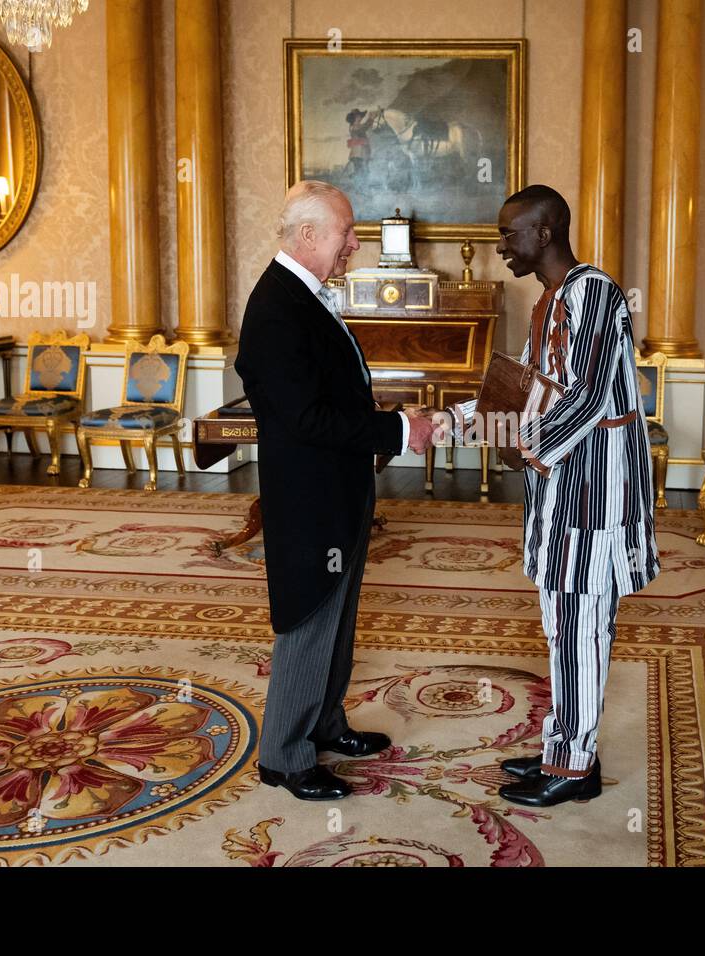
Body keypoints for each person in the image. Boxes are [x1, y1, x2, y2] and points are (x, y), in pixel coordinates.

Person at [439, 185, 660, 808]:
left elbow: (584, 397)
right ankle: (562, 746)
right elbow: (528, 392)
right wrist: (458, 420)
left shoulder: (592, 293)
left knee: (581, 626)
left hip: (592, 493)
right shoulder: (555, 299)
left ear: (545, 232)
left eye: (509, 234)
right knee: (563, 625)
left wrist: (520, 447)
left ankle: (574, 767)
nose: (500, 245)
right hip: (562, 489)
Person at [235, 180, 435, 801]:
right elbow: (306, 419)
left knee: (340, 615)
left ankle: (324, 723)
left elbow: (329, 395)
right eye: (347, 232)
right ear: (309, 235)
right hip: (308, 494)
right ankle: (285, 757)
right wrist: (399, 429)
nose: (355, 243)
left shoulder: (305, 294)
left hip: (336, 487)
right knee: (310, 614)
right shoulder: (276, 305)